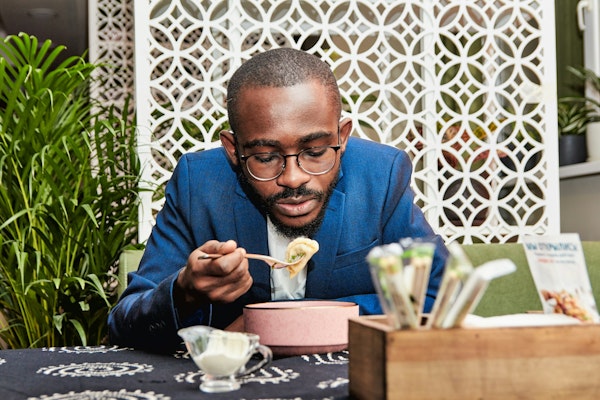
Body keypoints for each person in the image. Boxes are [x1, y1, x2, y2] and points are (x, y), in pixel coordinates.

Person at [108, 47, 449, 352]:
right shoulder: (199, 184)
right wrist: (184, 291)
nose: (293, 178)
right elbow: (124, 323)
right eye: (266, 157)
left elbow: (439, 298)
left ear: (342, 138)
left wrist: (276, 325)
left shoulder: (381, 175)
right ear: (233, 150)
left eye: (315, 152)